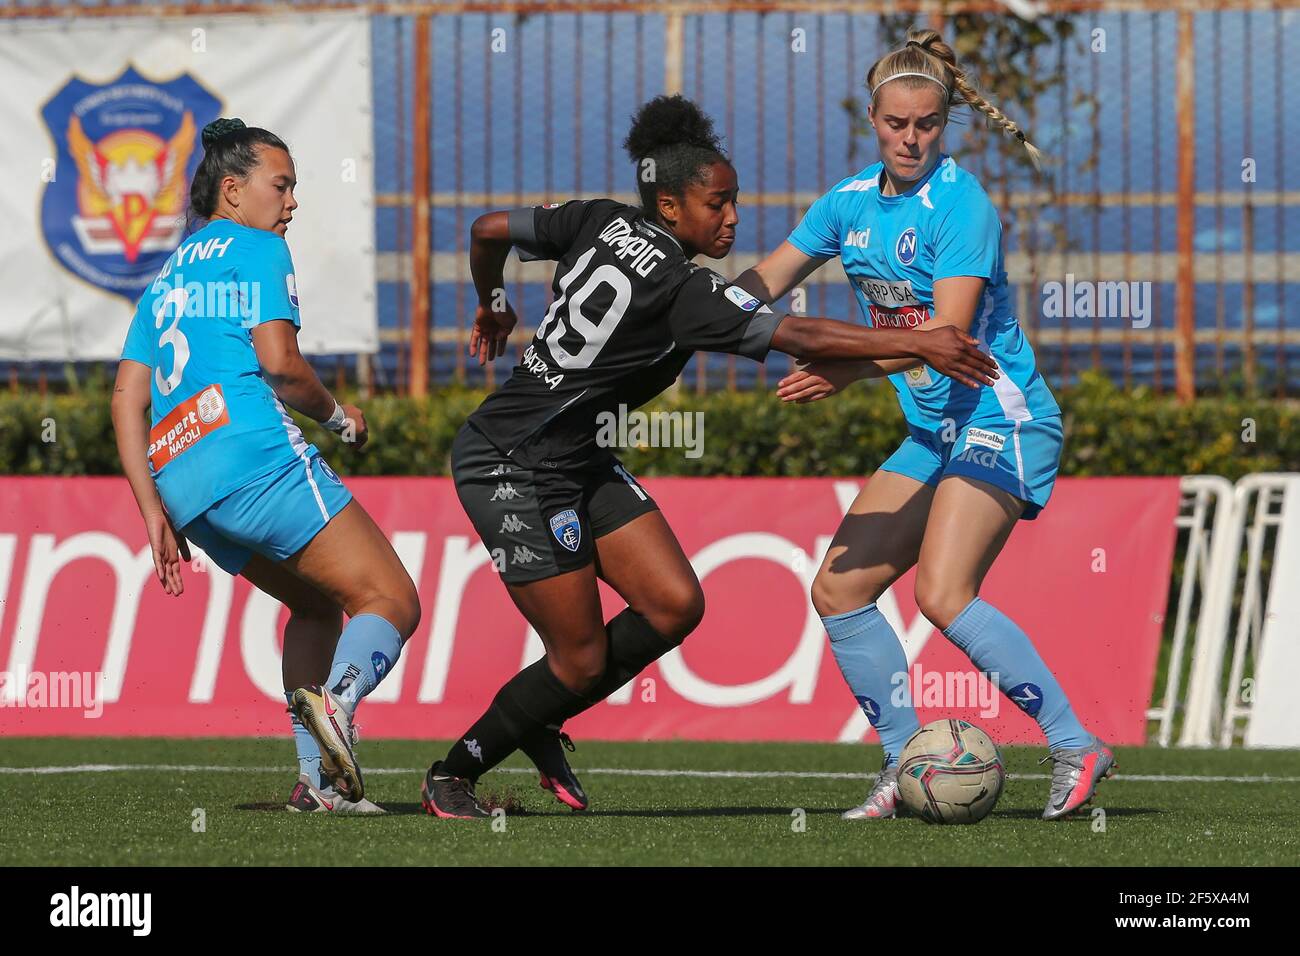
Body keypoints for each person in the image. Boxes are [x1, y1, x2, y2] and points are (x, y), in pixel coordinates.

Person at [419, 94, 998, 819]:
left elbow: (486, 230)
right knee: (579, 661)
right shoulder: (682, 291)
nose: (731, 219)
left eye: (734, 202)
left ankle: (537, 717)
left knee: (673, 605)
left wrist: (493, 300)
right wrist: (916, 339)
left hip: (580, 458)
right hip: (511, 462)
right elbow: (802, 335)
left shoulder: (599, 217)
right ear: (669, 204)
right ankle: (452, 773)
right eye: (716, 204)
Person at [733, 29, 1115, 821]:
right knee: (840, 590)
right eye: (897, 123)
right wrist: (689, 310)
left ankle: (1075, 743)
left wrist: (843, 367)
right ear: (873, 118)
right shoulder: (848, 203)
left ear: (945, 124)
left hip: (1000, 417)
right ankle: (903, 766)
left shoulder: (962, 204)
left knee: (943, 593)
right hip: (935, 434)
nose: (911, 138)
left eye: (927, 124)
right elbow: (765, 280)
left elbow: (946, 341)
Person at [111, 118, 420, 814]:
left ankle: (319, 784)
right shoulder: (257, 248)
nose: (291, 203)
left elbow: (126, 395)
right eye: (280, 186)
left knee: (314, 607)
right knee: (393, 599)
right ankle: (338, 706)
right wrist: (341, 419)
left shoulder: (166, 276)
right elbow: (281, 366)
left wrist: (151, 510)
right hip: (255, 457)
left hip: (187, 488)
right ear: (232, 190)